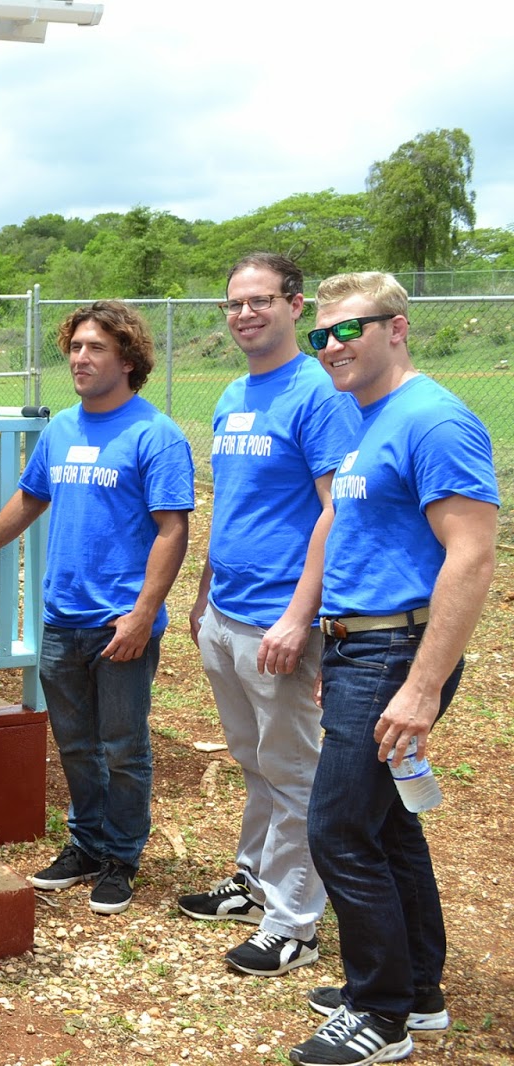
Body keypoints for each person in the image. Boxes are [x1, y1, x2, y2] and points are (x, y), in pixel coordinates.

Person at [289, 273, 498, 1066]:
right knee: (385, 821)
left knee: (337, 829)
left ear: (398, 328)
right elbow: (356, 534)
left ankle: (379, 1016)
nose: (332, 346)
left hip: (396, 653)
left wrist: (417, 686)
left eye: (350, 329)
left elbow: (472, 557)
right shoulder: (360, 418)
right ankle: (418, 992)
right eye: (323, 336)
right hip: (360, 649)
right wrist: (333, 639)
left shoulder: (434, 419)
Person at [0, 301, 193, 916]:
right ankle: (86, 845)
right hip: (61, 618)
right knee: (74, 743)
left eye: (95, 348)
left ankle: (122, 856)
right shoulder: (61, 429)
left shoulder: (155, 434)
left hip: (120, 621)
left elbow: (173, 531)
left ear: (127, 359)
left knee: (122, 745)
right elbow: (30, 497)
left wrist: (144, 613)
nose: (80, 358)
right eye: (75, 347)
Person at [176, 254, 360, 977]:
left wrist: (299, 616)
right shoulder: (232, 393)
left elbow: (335, 508)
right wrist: (202, 594)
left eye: (260, 301)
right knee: (255, 762)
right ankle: (254, 881)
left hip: (279, 619)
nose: (245, 314)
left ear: (294, 304)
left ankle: (295, 923)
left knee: (293, 772)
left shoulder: (317, 393)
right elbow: (235, 505)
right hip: (228, 611)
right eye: (233, 305)